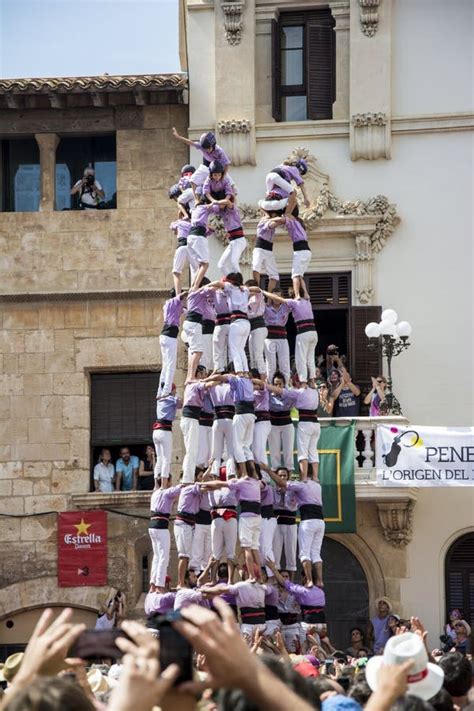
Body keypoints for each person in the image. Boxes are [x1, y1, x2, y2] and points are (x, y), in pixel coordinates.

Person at [264, 463, 325, 588]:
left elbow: (285, 487)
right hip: (319, 521)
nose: (283, 477)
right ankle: (319, 580)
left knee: (304, 553)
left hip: (305, 521)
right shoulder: (317, 485)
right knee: (315, 553)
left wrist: (268, 470)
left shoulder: (300, 485)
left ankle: (309, 580)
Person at [148, 483, 184, 590]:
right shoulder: (166, 492)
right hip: (161, 527)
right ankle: (160, 585)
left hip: (152, 527)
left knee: (157, 556)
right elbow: (181, 488)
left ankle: (153, 584)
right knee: (164, 557)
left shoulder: (155, 494)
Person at [180, 365, 208, 483]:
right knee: (191, 451)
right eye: (203, 373)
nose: (205, 376)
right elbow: (208, 384)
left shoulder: (192, 384)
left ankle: (188, 477)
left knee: (192, 451)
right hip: (190, 419)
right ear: (198, 374)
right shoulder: (195, 384)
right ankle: (187, 479)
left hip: (190, 419)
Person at [267, 372, 298, 475]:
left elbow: (294, 400)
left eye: (280, 384)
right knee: (274, 453)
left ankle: (290, 476)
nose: (278, 386)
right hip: (273, 425)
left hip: (287, 425)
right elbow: (276, 407)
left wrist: (287, 390)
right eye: (275, 384)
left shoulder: (288, 394)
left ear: (284, 384)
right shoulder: (269, 396)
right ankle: (276, 478)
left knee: (288, 452)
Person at [158, 289, 187, 397]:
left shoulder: (170, 305)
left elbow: (185, 311)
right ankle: (165, 391)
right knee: (171, 365)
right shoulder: (173, 302)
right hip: (170, 336)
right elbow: (180, 297)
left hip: (164, 335)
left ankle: (160, 391)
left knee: (165, 365)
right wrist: (191, 291)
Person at [153, 386, 181, 487]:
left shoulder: (160, 398)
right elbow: (180, 404)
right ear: (171, 390)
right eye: (175, 390)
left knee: (159, 458)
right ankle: (163, 486)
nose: (176, 391)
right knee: (166, 459)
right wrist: (176, 396)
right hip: (165, 431)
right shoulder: (170, 398)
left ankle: (156, 485)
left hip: (156, 431)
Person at [272, 468, 298, 577]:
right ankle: (275, 581)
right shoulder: (272, 490)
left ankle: (291, 583)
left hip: (290, 523)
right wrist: (281, 495)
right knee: (275, 553)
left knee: (291, 553)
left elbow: (292, 505)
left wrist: (285, 492)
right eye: (280, 476)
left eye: (284, 476)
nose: (282, 478)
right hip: (277, 524)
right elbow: (274, 504)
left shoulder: (293, 490)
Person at [264, 289, 291, 384]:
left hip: (282, 338)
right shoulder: (265, 307)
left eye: (278, 297)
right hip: (269, 338)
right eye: (274, 297)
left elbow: (294, 300)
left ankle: (286, 386)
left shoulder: (286, 306)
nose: (276, 299)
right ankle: (270, 386)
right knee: (271, 365)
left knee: (285, 364)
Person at [252, 210, 283, 292]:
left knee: (274, 276)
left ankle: (269, 298)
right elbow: (271, 225)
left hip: (269, 249)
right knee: (256, 267)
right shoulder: (264, 221)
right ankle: (257, 288)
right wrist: (281, 219)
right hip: (260, 248)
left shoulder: (270, 219)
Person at [247, 281, 268, 378]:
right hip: (251, 328)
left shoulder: (258, 296)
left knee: (258, 353)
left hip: (259, 326)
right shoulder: (246, 299)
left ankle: (263, 377)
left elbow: (258, 290)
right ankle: (254, 376)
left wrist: (246, 290)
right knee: (252, 354)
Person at [170, 216, 192, 294]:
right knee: (195, 271)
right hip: (192, 248)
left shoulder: (179, 222)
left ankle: (177, 295)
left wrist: (180, 219)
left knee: (176, 272)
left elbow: (173, 228)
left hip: (182, 245)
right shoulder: (194, 223)